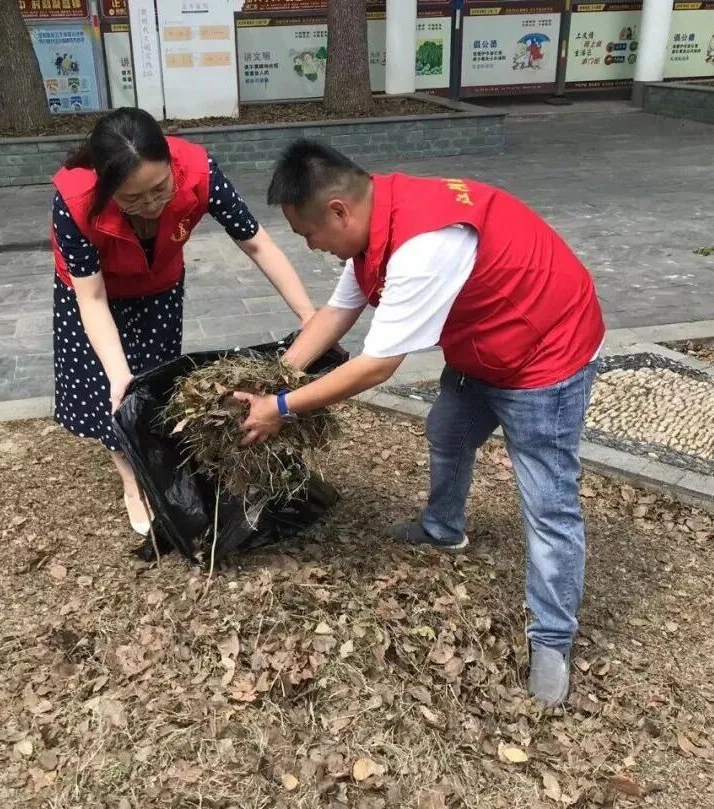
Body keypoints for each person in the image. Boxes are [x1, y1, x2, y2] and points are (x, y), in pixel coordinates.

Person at [234, 140, 605, 706]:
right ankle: (443, 527)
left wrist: (281, 409)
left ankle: (552, 638)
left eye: (309, 234)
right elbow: (337, 313)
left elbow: (376, 366)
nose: (311, 246)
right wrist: (278, 378)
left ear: (339, 211)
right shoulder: (377, 223)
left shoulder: (423, 244)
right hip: (483, 345)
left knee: (548, 501)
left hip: (545, 356)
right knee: (447, 433)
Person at [50, 109, 316, 536]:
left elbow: (256, 243)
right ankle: (131, 477)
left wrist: (309, 315)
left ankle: (155, 453)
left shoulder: (199, 171)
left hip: (158, 284)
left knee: (156, 377)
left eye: (160, 189)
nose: (151, 205)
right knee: (108, 386)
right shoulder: (75, 200)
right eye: (132, 198)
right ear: (106, 186)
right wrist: (119, 377)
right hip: (95, 292)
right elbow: (92, 298)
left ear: (171, 164)